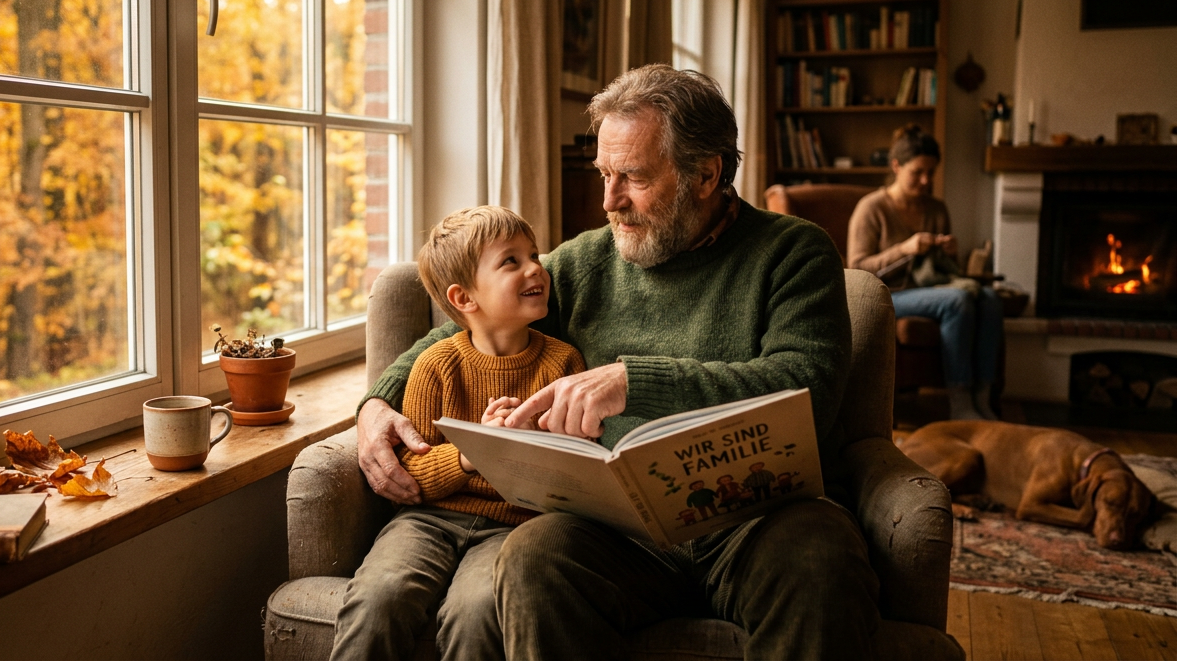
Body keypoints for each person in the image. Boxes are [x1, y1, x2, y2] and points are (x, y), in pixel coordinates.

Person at [357, 64, 883, 660]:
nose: (609, 201)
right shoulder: (586, 263)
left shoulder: (794, 253)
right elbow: (466, 326)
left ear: (706, 174)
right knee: (534, 554)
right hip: (620, 531)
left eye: (632, 177)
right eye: (605, 174)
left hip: (760, 521)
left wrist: (636, 381)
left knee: (820, 559)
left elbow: (806, 388)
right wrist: (377, 401)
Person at [330, 206, 585, 661]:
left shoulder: (563, 363)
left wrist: (535, 437)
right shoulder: (434, 366)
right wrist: (474, 450)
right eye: (511, 261)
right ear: (464, 298)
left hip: (515, 528)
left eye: (533, 255)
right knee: (379, 597)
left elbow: (573, 473)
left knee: (478, 611)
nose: (536, 269)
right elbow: (409, 478)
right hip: (427, 521)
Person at [846, 124, 1004, 421]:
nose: (926, 180)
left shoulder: (936, 208)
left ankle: (982, 398)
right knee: (958, 301)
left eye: (931, 173)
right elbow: (856, 269)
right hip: (890, 294)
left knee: (990, 299)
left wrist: (950, 252)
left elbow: (945, 272)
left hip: (931, 288)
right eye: (917, 172)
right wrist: (904, 249)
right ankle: (960, 402)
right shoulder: (871, 208)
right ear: (896, 166)